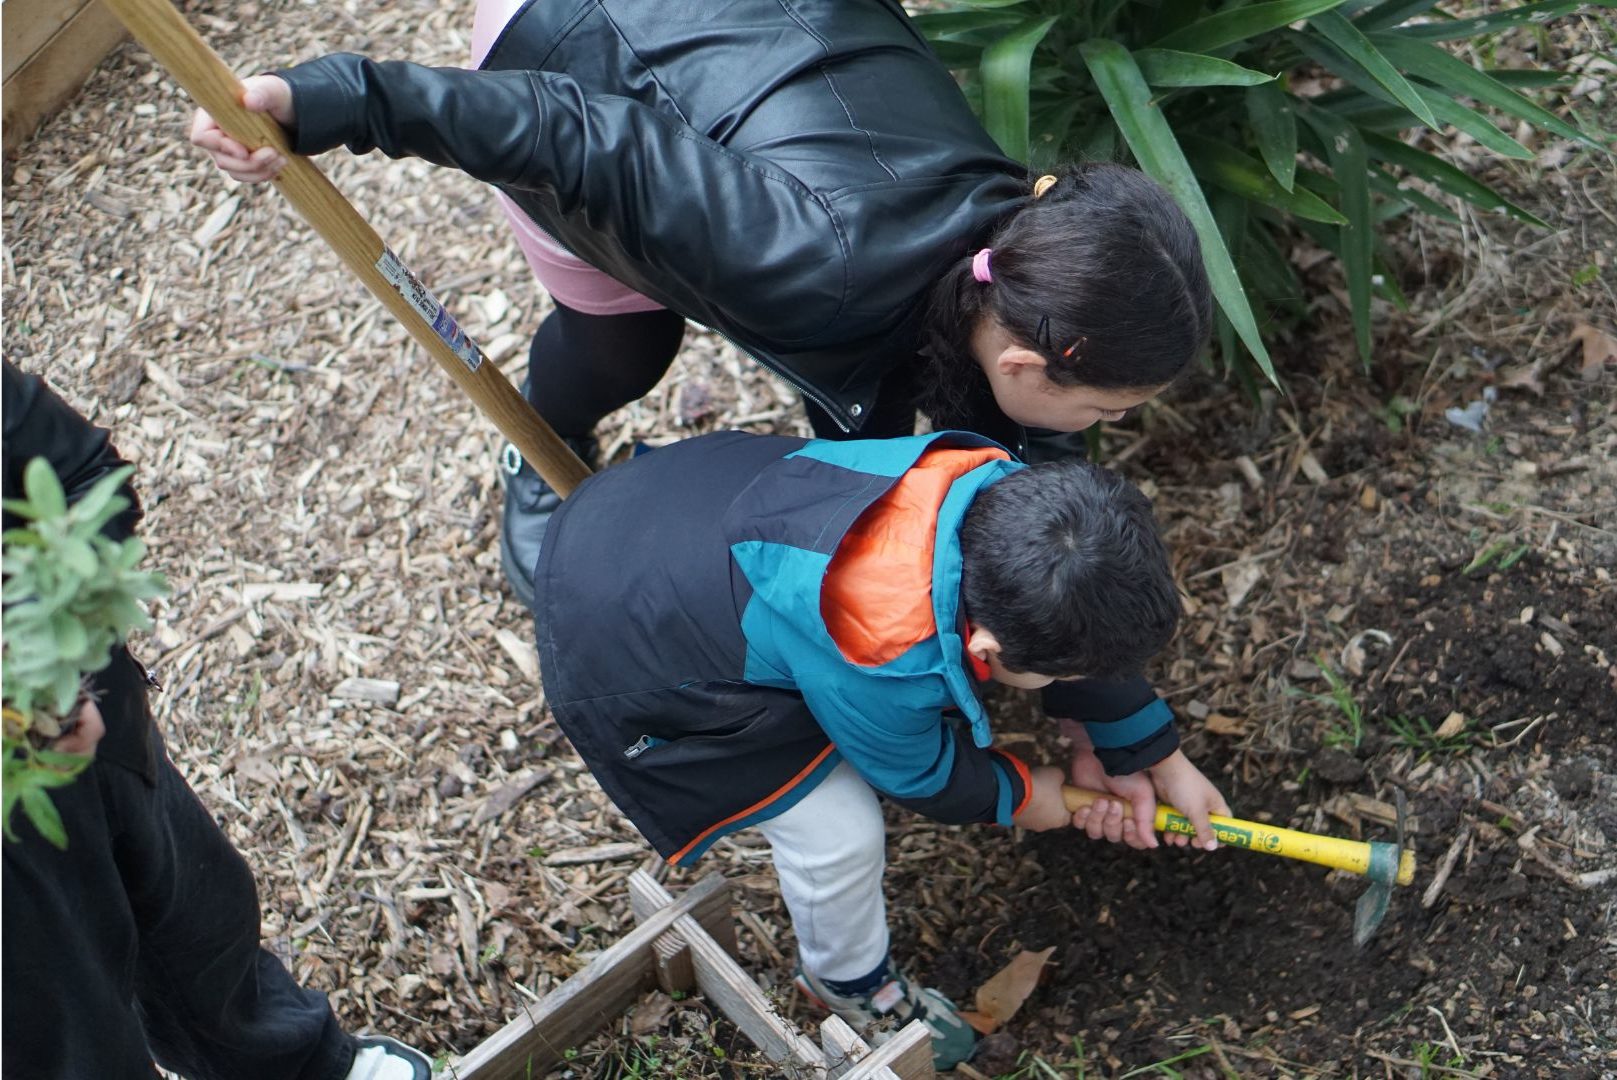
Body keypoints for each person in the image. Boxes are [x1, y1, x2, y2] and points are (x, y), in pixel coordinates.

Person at [186, 0, 1214, 609]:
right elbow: (565, 133)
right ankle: (541, 445)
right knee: (624, 339)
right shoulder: (805, 257)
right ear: (1032, 365)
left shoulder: (1026, 248)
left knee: (869, 402)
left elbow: (1020, 441)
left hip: (760, 56)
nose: (1109, 430)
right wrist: (330, 102)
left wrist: (1100, 691)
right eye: (1109, 410)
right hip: (584, 41)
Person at [528, 427, 1231, 1069]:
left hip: (645, 506)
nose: (1075, 683)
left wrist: (1150, 753)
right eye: (1066, 674)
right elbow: (916, 775)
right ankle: (846, 981)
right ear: (985, 646)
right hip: (623, 657)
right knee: (839, 832)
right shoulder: (883, 651)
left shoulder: (995, 497)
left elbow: (1072, 628)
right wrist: (1020, 795)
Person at [1, 361, 432, 1080]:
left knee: (196, 918)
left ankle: (295, 1066)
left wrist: (49, 645)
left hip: (94, 725)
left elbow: (83, 476)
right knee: (68, 1036)